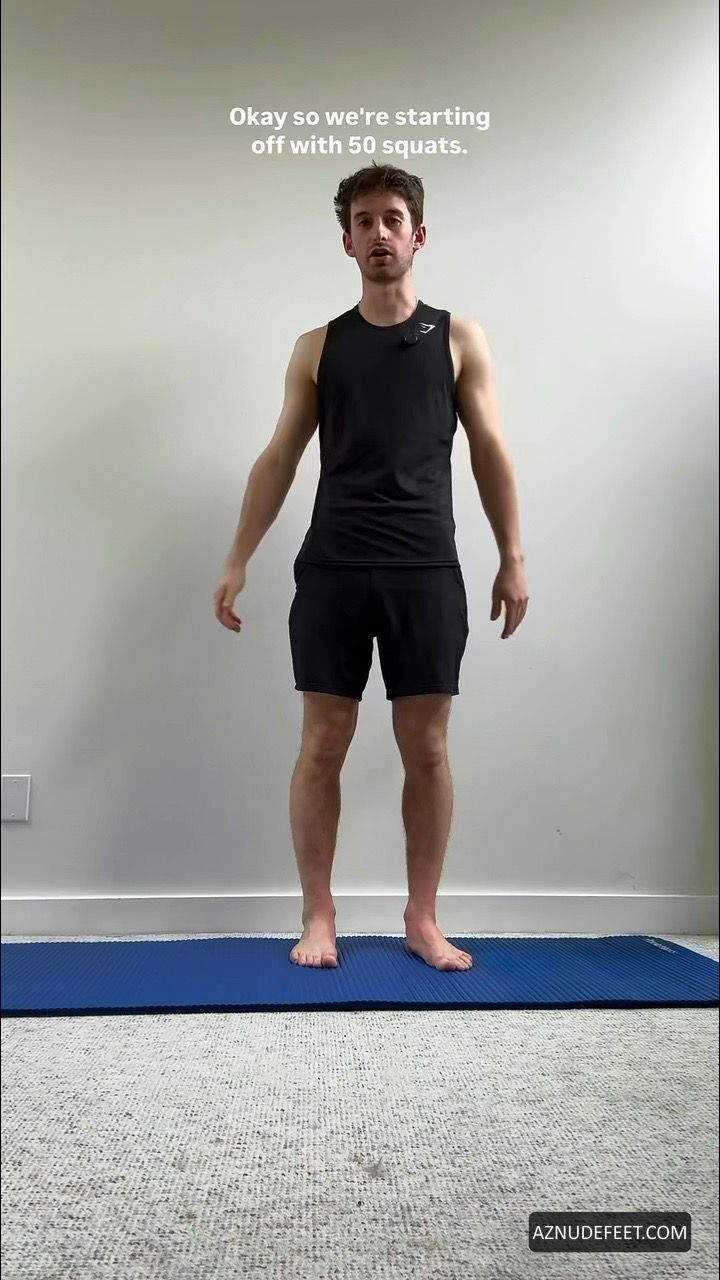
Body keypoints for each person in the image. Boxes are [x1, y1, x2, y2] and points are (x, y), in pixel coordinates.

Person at [214, 164, 529, 972]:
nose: (379, 232)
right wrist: (239, 558)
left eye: (393, 219)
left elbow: (490, 451)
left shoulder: (459, 339)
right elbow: (279, 457)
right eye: (364, 221)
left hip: (425, 567)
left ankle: (422, 918)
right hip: (335, 567)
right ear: (347, 242)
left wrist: (512, 556)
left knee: (427, 749)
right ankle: (318, 915)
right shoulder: (318, 347)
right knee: (324, 742)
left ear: (417, 235)